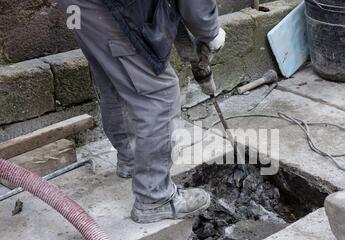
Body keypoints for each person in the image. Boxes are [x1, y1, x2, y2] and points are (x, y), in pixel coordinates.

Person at [57, 0, 226, 223]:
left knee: (116, 81)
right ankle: (155, 198)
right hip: (111, 7)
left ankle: (132, 159)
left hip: (75, 9)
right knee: (160, 93)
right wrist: (211, 31)